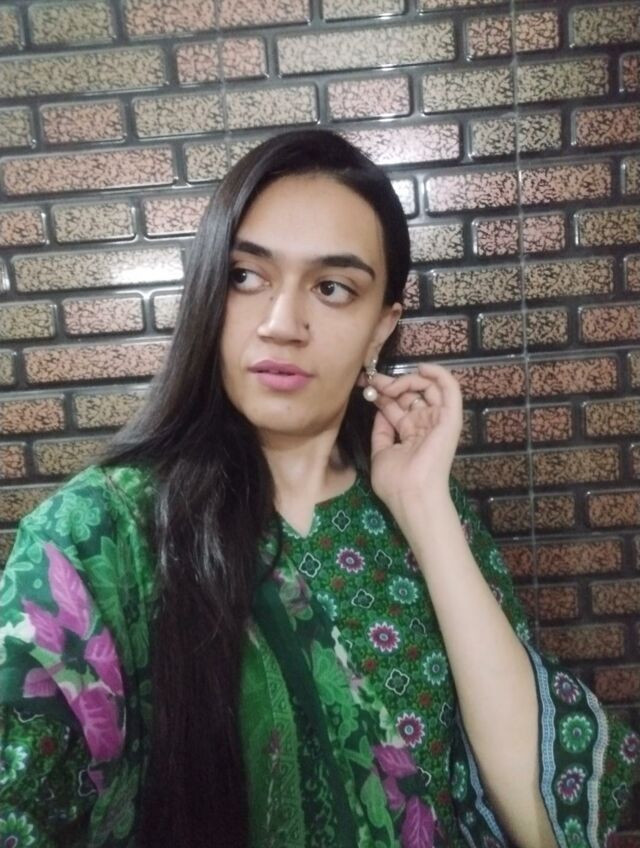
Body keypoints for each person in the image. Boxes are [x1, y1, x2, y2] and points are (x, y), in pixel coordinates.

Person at [0, 128, 637, 848]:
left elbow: (538, 818)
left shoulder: (424, 513)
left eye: (333, 289)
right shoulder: (96, 536)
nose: (281, 324)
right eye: (246, 277)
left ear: (381, 328)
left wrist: (423, 504)